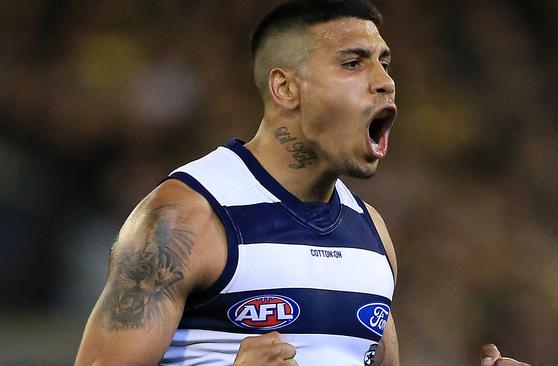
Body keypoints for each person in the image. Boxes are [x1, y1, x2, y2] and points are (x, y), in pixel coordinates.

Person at [75, 1, 531, 365]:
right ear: (286, 89)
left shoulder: (371, 233)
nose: (385, 82)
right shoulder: (186, 217)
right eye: (353, 63)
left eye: (384, 63)